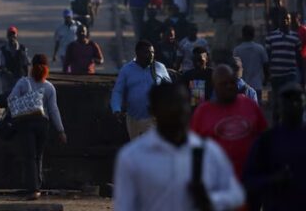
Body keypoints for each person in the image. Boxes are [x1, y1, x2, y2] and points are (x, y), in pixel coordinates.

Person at [113, 81, 245, 211]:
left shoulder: (208, 152)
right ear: (153, 111)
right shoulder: (133, 157)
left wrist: (210, 200)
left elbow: (236, 195)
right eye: (169, 105)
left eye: (182, 104)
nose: (177, 110)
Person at [191, 64, 268, 180]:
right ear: (215, 86)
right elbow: (193, 150)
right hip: (217, 181)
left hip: (249, 179)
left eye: (232, 82)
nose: (229, 86)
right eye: (223, 84)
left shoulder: (249, 104)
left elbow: (264, 138)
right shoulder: (202, 112)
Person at [8, 54, 67, 200]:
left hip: (26, 123)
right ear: (47, 69)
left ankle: (33, 189)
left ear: (31, 67)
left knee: (29, 157)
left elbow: (11, 99)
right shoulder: (49, 87)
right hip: (43, 124)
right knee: (38, 156)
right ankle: (37, 187)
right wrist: (61, 130)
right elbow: (53, 110)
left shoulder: (23, 83)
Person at [243, 82, 306, 211]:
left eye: (297, 100)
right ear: (279, 107)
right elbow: (250, 180)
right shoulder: (267, 140)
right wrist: (273, 180)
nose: (293, 105)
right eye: (288, 100)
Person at [111, 40, 172, 139]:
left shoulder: (159, 68)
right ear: (138, 53)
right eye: (147, 52)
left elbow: (170, 90)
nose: (151, 55)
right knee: (136, 150)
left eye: (152, 52)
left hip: (153, 118)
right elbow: (118, 91)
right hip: (133, 118)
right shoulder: (127, 70)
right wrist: (116, 109)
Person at [264, 13, 304, 121]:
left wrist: (303, 74)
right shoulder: (271, 36)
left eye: (288, 19)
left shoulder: (295, 37)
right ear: (279, 20)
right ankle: (276, 127)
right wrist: (267, 74)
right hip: (276, 75)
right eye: (284, 19)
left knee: (290, 101)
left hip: (290, 75)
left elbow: (299, 57)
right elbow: (267, 57)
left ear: (290, 21)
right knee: (276, 103)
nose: (286, 21)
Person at [233, 25, 269, 100]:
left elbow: (234, 67)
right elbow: (266, 65)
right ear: (253, 35)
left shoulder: (237, 50)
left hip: (241, 86)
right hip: (257, 85)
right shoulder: (260, 49)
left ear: (242, 35)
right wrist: (266, 80)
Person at [0, 26, 30, 94]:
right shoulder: (3, 50)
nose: (12, 36)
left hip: (20, 77)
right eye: (10, 34)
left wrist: (27, 78)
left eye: (13, 34)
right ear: (7, 36)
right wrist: (8, 73)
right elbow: (1, 65)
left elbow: (26, 64)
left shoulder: (23, 49)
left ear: (16, 35)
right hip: (7, 79)